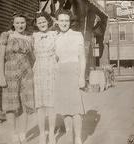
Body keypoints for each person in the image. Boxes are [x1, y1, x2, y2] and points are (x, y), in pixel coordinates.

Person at [0, 11, 35, 143]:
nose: (20, 25)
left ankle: (23, 133)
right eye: (18, 23)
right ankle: (14, 134)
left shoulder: (30, 38)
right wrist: (1, 76)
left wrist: (30, 70)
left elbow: (33, 58)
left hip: (27, 73)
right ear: (13, 24)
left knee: (26, 103)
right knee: (11, 105)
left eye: (23, 22)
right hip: (10, 73)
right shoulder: (6, 36)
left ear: (26, 24)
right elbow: (0, 58)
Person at [54, 9, 86, 144]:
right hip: (61, 72)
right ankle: (69, 136)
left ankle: (78, 137)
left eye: (66, 20)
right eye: (61, 20)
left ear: (70, 21)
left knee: (76, 107)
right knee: (65, 108)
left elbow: (82, 57)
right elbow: (54, 58)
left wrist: (82, 76)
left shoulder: (77, 35)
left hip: (74, 70)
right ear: (57, 22)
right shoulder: (55, 37)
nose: (64, 23)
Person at [32, 11, 58, 144]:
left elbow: (62, 24)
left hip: (51, 70)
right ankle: (42, 134)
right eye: (39, 22)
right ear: (36, 24)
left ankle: (52, 133)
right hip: (39, 71)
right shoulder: (34, 36)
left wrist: (53, 19)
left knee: (51, 104)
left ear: (48, 21)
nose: (42, 24)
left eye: (44, 21)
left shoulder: (54, 34)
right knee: (40, 105)